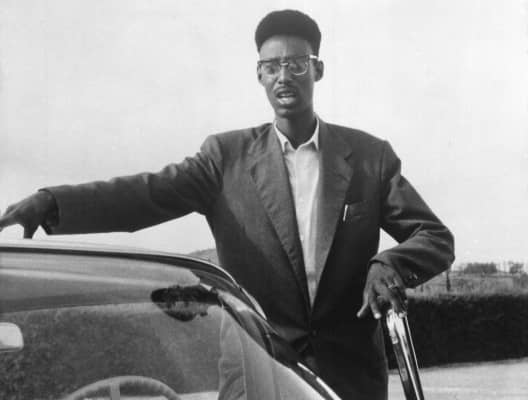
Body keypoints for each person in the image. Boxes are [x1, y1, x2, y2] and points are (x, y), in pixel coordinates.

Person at [0, 9, 454, 400]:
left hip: (347, 383)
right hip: (255, 375)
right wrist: (52, 203)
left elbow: (434, 236)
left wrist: (390, 263)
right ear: (259, 75)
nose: (283, 76)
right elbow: (147, 194)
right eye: (271, 66)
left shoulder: (370, 158)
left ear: (318, 70)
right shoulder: (225, 159)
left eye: (296, 64)